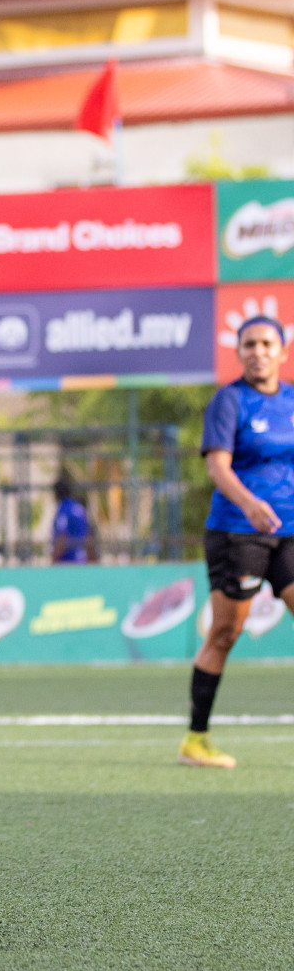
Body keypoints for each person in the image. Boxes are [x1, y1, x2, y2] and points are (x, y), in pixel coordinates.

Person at [185, 315, 294, 769]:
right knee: (225, 633)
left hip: (287, 532)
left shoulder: (290, 400)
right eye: (249, 344)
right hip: (238, 533)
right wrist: (249, 504)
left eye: (267, 343)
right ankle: (196, 739)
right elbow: (218, 467)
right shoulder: (229, 401)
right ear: (239, 352)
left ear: (282, 351)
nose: (258, 351)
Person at [50, 477, 92, 564]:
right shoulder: (79, 508)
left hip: (67, 562)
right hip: (81, 560)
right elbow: (88, 536)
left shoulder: (64, 510)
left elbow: (61, 538)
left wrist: (53, 560)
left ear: (56, 493)